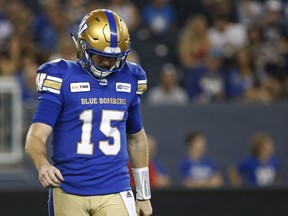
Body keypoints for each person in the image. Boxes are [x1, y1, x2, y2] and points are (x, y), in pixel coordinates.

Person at [25, 9, 152, 216]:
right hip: (68, 187)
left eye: (114, 57)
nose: (108, 63)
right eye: (100, 56)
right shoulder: (62, 77)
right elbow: (36, 135)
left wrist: (144, 194)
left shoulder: (130, 78)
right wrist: (43, 164)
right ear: (82, 46)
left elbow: (136, 138)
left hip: (115, 188)